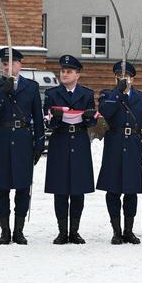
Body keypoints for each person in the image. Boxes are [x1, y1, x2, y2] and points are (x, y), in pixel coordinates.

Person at [0, 48, 45, 245]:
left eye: (11, 63)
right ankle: (5, 230)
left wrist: (39, 143)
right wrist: (4, 91)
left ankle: (19, 231)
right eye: (4, 63)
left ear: (20, 65)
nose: (7, 66)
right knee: (1, 188)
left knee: (22, 188)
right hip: (2, 138)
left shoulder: (31, 87)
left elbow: (38, 116)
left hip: (23, 139)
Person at [96, 61, 142, 244]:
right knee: (113, 191)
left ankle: (129, 230)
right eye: (119, 76)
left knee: (131, 191)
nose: (123, 79)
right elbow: (106, 112)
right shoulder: (108, 95)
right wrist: (117, 93)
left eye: (126, 76)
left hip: (134, 146)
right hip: (114, 144)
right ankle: (117, 231)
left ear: (133, 78)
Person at [43, 55, 97, 244]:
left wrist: (90, 117)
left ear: (77, 75)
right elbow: (48, 122)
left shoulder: (87, 94)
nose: (64, 74)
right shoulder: (52, 94)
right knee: (60, 189)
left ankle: (74, 231)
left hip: (80, 141)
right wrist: (55, 117)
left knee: (78, 189)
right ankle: (62, 231)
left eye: (69, 71)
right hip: (60, 140)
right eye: (63, 71)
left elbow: (92, 121)